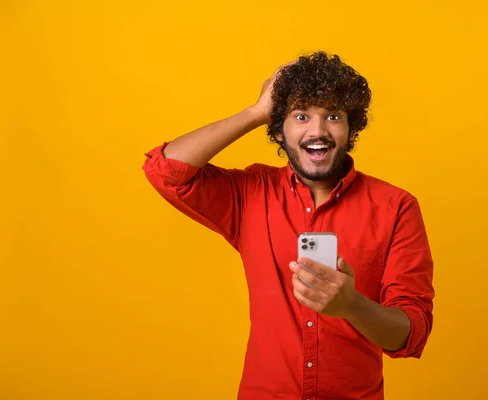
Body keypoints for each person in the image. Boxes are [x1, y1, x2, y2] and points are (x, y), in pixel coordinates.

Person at [142, 51, 435, 400]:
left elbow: (411, 333)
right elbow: (164, 171)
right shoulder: (251, 194)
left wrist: (351, 306)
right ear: (278, 131)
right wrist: (255, 112)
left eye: (333, 116)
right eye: (300, 116)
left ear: (350, 128)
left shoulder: (396, 207)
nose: (318, 131)